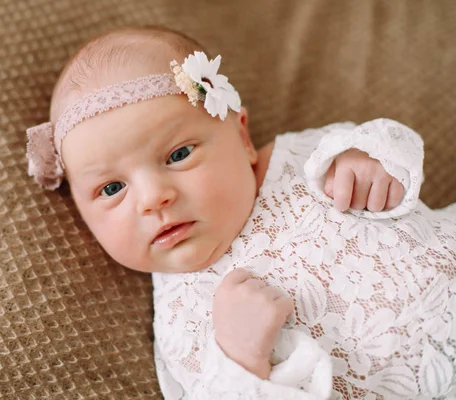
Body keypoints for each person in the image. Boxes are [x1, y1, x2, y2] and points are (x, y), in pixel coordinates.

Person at [25, 26, 456, 399]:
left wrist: (372, 161)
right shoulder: (186, 324)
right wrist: (241, 359)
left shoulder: (304, 160)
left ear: (242, 137)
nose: (153, 198)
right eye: (112, 188)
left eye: (178, 154)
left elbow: (388, 141)